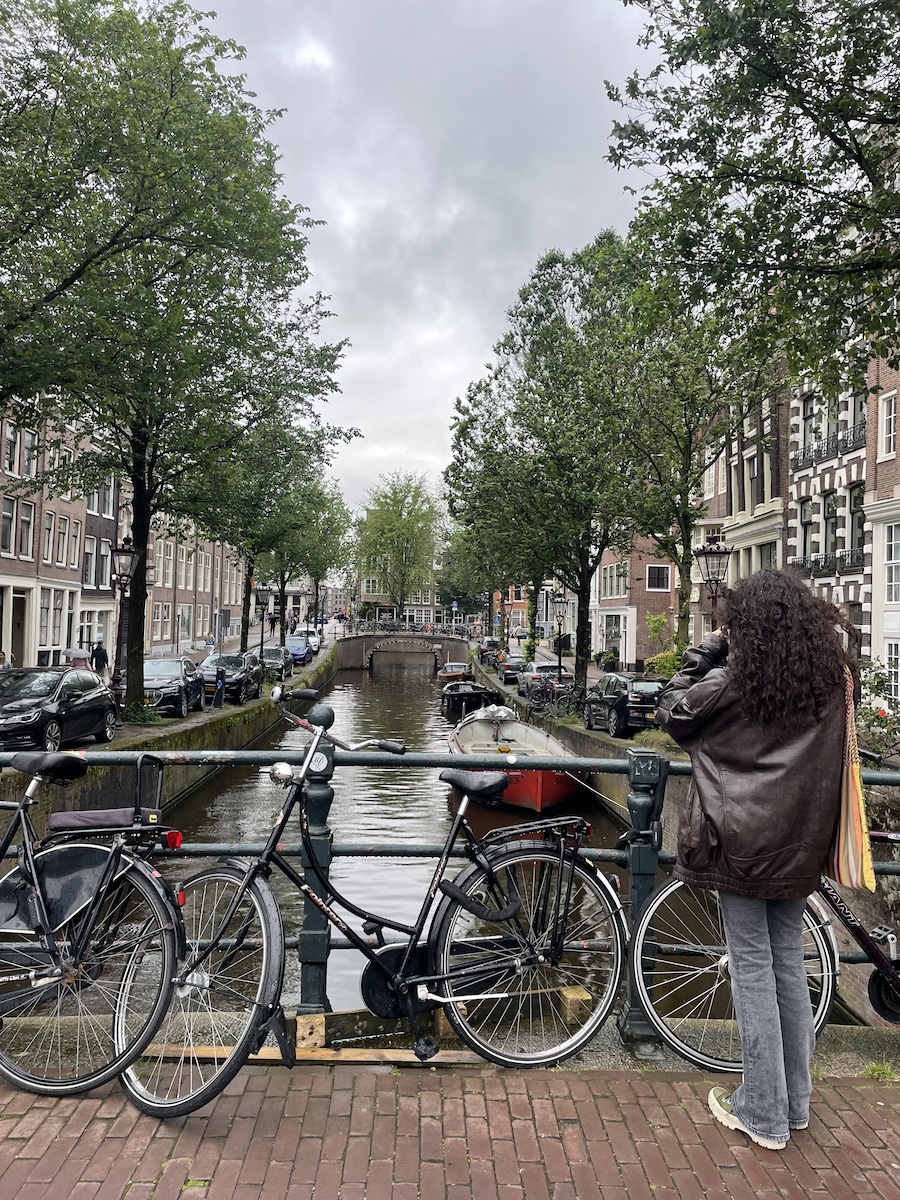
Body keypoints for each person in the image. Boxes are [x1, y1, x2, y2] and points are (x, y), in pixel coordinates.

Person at [655, 568, 851, 1152]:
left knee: (751, 968)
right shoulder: (830, 682)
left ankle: (762, 1111)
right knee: (788, 964)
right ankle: (795, 1102)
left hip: (739, 844)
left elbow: (672, 712)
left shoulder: (734, 681)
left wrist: (707, 650)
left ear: (747, 626)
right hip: (800, 844)